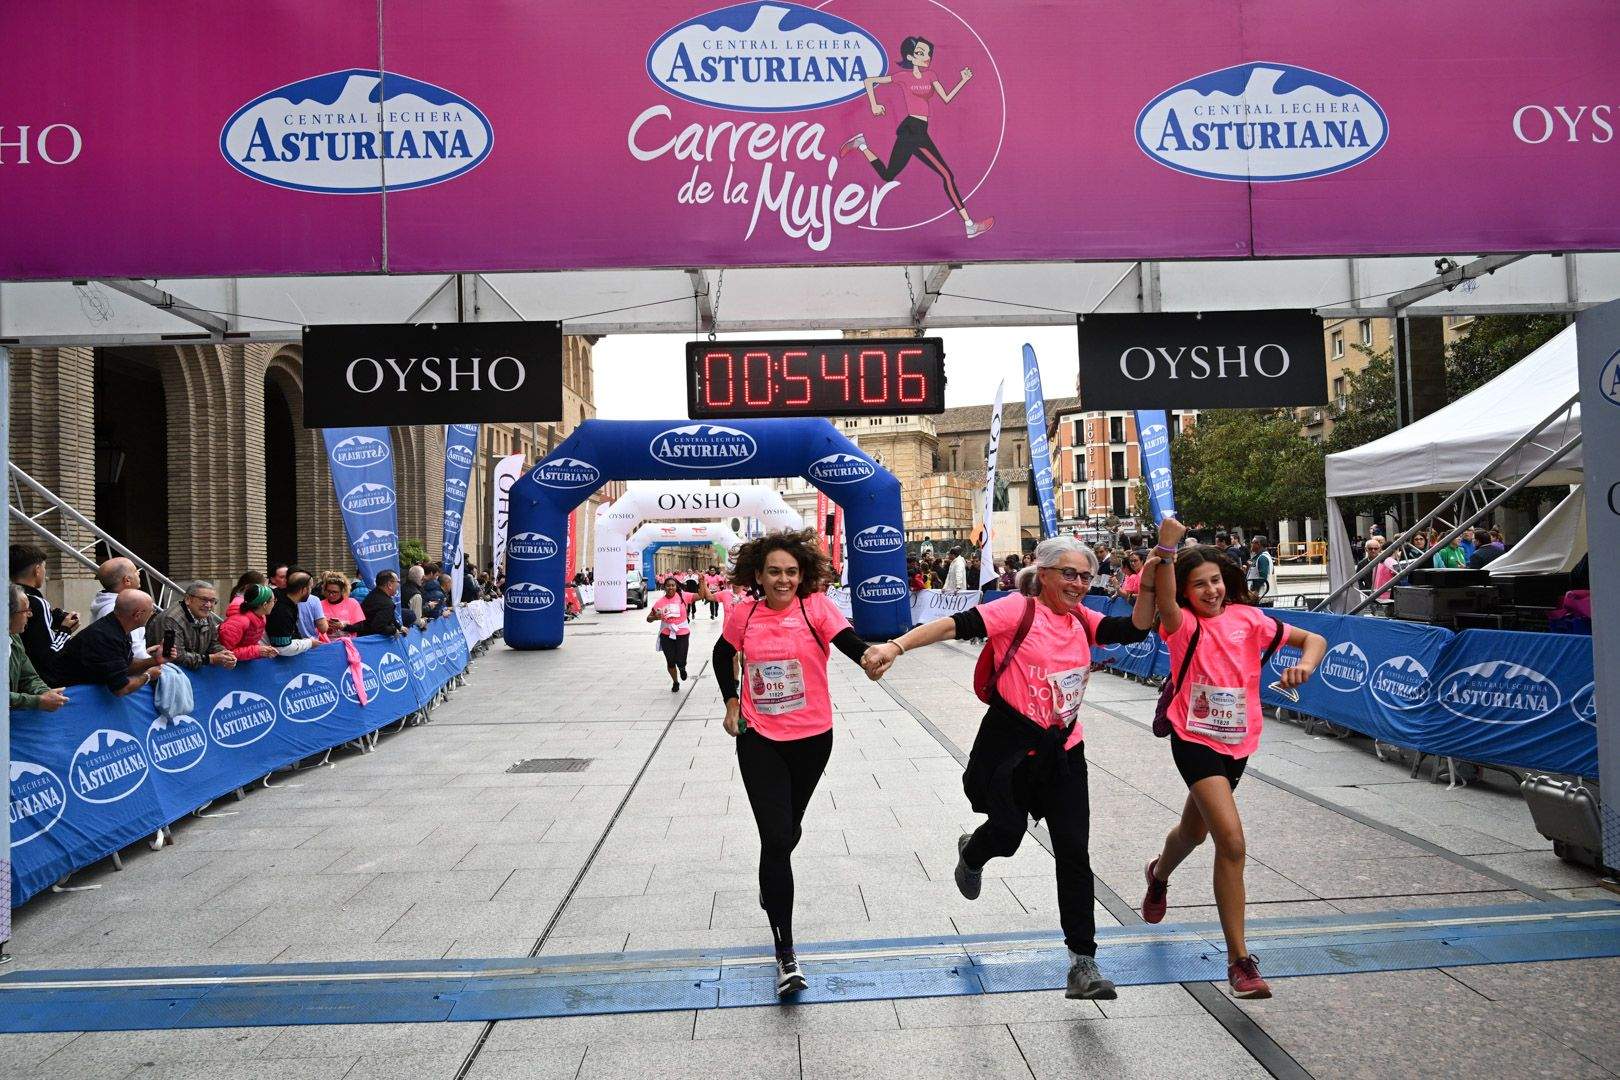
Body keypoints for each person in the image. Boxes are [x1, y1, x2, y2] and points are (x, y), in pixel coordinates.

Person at [863, 536, 1156, 1000]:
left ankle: (1083, 963)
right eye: (1069, 574)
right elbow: (949, 626)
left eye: (1085, 576)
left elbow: (1134, 630)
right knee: (1008, 835)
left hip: (1063, 750)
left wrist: (1157, 571)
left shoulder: (1082, 617)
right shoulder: (1017, 610)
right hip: (1010, 749)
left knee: (1074, 853)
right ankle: (972, 854)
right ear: (1044, 574)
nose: (1079, 584)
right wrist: (895, 647)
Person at [1138, 518, 1328, 1000]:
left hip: (1239, 742)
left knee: (1193, 832)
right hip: (1193, 737)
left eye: (1216, 581)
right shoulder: (1181, 626)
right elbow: (1161, 598)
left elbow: (1313, 640)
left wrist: (1304, 665)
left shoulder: (1250, 619)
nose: (1211, 591)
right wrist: (1165, 548)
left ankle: (1158, 873)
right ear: (1185, 591)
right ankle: (1240, 960)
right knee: (1232, 841)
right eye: (1198, 584)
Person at [712, 529, 875, 997]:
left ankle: (772, 869)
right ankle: (785, 952)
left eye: (791, 572)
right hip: (759, 736)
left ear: (801, 574)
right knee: (777, 836)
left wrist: (869, 657)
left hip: (812, 739)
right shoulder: (743, 613)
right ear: (758, 575)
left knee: (786, 834)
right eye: (774, 572)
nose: (783, 580)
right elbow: (724, 654)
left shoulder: (816, 607)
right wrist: (730, 702)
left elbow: (847, 640)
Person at [843, 35, 994, 238]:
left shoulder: (930, 75)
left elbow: (947, 98)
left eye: (928, 54)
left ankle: (861, 145)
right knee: (947, 175)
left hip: (917, 130)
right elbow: (869, 81)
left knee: (888, 176)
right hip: (913, 130)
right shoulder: (903, 77)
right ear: (910, 57)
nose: (927, 57)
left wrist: (963, 81)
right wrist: (874, 104)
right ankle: (969, 225)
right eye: (921, 53)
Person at [57, 590, 167, 695]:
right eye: (152, 610)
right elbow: (121, 689)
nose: (152, 614)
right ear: (137, 615)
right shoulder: (106, 637)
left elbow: (125, 664)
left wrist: (155, 660)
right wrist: (148, 676)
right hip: (66, 693)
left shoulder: (117, 626)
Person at [10, 544, 78, 686]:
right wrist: (65, 630)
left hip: (16, 675)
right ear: (37, 570)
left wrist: (54, 617)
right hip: (39, 680)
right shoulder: (36, 602)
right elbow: (48, 655)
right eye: (44, 568)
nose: (28, 614)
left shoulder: (9, 595)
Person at [146, 580, 236, 671]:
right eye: (204, 599)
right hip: (167, 671)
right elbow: (175, 656)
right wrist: (210, 659)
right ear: (188, 599)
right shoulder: (171, 619)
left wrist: (225, 655)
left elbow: (214, 643)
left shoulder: (207, 616)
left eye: (212, 601)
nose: (208, 605)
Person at [10, 584, 69, 712]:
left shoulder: (14, 638)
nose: (30, 615)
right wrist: (37, 701)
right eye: (25, 610)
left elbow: (29, 677)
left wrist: (47, 693)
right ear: (8, 614)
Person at [648, 576, 694, 692]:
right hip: (666, 634)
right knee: (670, 661)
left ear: (676, 586)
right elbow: (648, 618)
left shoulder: (683, 597)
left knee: (681, 658)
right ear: (664, 587)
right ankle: (675, 681)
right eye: (668, 585)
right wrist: (655, 617)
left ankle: (682, 668)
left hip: (682, 632)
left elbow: (700, 596)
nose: (671, 587)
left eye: (673, 585)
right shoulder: (660, 602)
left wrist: (702, 582)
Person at [218, 584, 280, 662]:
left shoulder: (260, 617)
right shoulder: (237, 622)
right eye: (273, 601)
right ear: (265, 605)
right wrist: (257, 651)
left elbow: (248, 645)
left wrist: (264, 651)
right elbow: (225, 653)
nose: (274, 604)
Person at [266, 571, 320, 655]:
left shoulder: (287, 601)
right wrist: (310, 643)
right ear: (304, 590)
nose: (310, 592)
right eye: (310, 588)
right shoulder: (282, 611)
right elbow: (282, 648)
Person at [360, 570, 406, 636]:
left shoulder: (374, 594)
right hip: (371, 640)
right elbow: (378, 627)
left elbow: (389, 616)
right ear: (389, 585)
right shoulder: (387, 604)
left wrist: (399, 627)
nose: (398, 585)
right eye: (397, 582)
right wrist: (394, 631)